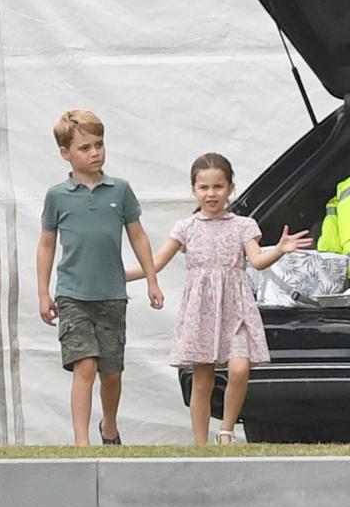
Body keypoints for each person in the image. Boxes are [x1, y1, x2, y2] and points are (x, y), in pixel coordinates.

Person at [126, 153, 311, 444]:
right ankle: (201, 443)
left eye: (218, 187)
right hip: (201, 308)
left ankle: (226, 431)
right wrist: (118, 275)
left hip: (235, 307)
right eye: (204, 187)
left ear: (230, 188)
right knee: (202, 378)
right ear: (193, 190)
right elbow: (157, 261)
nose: (211, 194)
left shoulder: (243, 225)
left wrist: (280, 249)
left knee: (239, 368)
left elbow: (258, 260)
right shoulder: (186, 227)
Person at [36, 109, 164, 446]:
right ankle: (81, 441)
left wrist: (151, 280)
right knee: (85, 365)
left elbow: (137, 235)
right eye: (85, 148)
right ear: (65, 153)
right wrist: (43, 292)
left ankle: (109, 427)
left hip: (111, 294)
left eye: (99, 145)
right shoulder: (57, 196)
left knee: (111, 371)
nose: (95, 153)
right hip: (73, 295)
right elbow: (47, 244)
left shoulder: (119, 191)